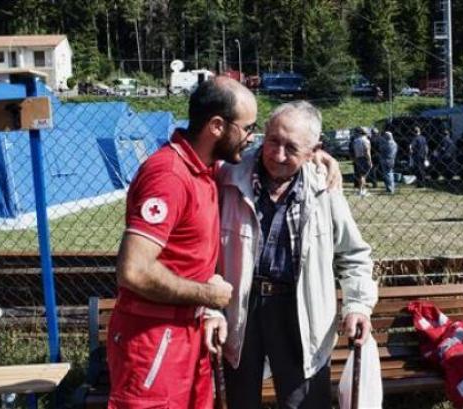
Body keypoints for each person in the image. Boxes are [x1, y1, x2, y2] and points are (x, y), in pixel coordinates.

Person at [109, 77, 342, 409]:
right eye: (249, 129)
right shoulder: (171, 176)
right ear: (218, 126)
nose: (253, 139)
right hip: (157, 339)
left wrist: (314, 158)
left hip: (190, 338)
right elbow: (133, 270)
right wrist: (208, 297)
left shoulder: (207, 171)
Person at [216, 101, 378, 409]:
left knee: (304, 403)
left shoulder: (324, 187)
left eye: (291, 148)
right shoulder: (229, 178)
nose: (277, 155)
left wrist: (358, 305)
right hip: (240, 309)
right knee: (238, 400)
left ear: (313, 150)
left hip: (300, 309)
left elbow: (354, 256)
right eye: (273, 141)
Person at [352, 127, 373, 196]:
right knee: (363, 176)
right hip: (364, 158)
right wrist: (370, 161)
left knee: (361, 175)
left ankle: (363, 189)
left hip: (358, 158)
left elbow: (354, 151)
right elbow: (367, 151)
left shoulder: (355, 140)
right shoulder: (366, 141)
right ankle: (361, 190)